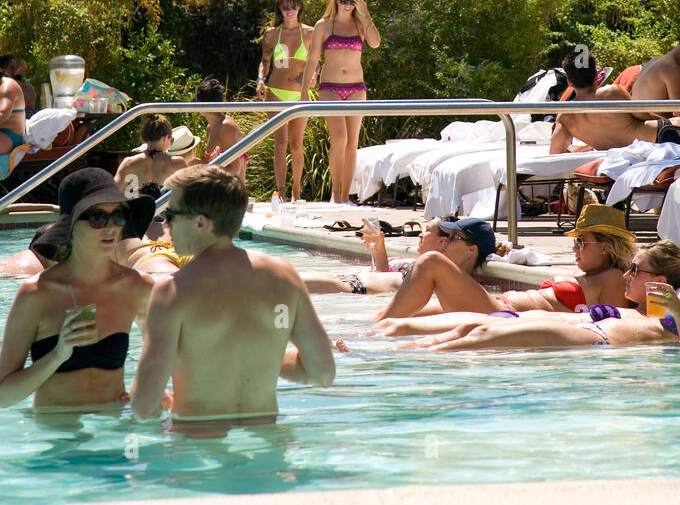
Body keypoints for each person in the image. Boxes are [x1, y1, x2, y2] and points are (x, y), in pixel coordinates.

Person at [130, 165, 335, 431]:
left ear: (200, 223)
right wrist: (262, 355)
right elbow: (322, 373)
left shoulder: (172, 292)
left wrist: (148, 329)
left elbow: (143, 405)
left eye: (169, 215)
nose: (165, 224)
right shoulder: (284, 276)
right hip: (267, 444)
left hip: (197, 448)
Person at [399, 237, 680, 352]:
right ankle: (374, 358)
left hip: (597, 337)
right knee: (458, 334)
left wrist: (677, 312)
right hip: (580, 325)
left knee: (479, 335)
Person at [0, 170, 154, 410]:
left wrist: (147, 392)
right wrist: (56, 356)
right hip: (59, 440)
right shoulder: (36, 293)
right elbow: (3, 396)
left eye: (119, 216)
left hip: (113, 430)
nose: (111, 227)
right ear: (71, 226)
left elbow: (161, 358)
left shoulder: (137, 286)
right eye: (97, 218)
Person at [374, 200, 633, 332]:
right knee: (405, 313)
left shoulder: (614, 278)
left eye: (581, 241)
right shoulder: (593, 275)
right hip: (495, 304)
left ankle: (371, 337)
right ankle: (361, 330)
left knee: (431, 262)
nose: (573, 248)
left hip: (503, 314)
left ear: (605, 246)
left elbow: (609, 324)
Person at [301, 0, 381, 205]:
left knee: (352, 143)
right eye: (343, 0)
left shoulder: (359, 24)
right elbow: (313, 57)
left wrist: (365, 14)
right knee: (339, 138)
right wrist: (304, 90)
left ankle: (346, 196)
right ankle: (335, 195)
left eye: (352, 0)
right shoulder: (324, 25)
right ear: (335, 0)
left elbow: (375, 43)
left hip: (356, 88)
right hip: (330, 88)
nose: (347, 4)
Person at [301, 215, 463, 296]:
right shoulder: (418, 263)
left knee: (284, 283)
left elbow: (385, 280)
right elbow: (383, 273)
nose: (420, 235)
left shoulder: (430, 270)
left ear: (443, 243)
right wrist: (379, 247)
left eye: (427, 230)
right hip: (345, 279)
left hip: (353, 287)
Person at [256, 0, 316, 204]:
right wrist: (260, 80)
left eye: (294, 6)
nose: (290, 10)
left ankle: (296, 191)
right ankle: (280, 191)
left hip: (300, 94)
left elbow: (315, 60)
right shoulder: (272, 34)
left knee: (296, 144)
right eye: (285, 6)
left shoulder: (309, 32)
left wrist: (314, 75)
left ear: (300, 7)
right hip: (275, 92)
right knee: (279, 143)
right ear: (279, 10)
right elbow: (264, 61)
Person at [114, 114, 189, 200]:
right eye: (171, 140)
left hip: (139, 210)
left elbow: (113, 192)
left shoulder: (128, 163)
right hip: (165, 211)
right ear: (166, 137)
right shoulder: (177, 163)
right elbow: (190, 193)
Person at [195, 78, 248, 184]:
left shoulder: (227, 127)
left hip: (231, 194)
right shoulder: (210, 127)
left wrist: (206, 167)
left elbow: (234, 171)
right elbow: (214, 164)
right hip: (218, 190)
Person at [0, 54, 28, 180]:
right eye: (11, 67)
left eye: (15, 67)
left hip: (10, 135)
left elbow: (2, 114)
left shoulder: (8, 86)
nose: (14, 70)